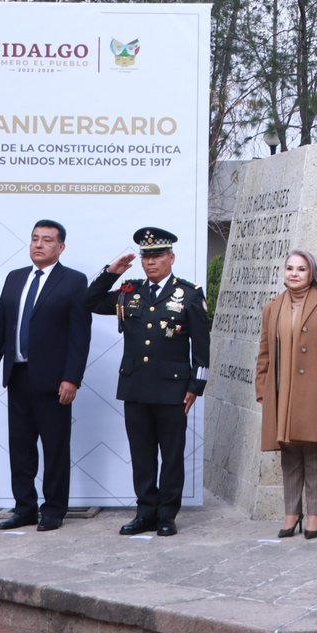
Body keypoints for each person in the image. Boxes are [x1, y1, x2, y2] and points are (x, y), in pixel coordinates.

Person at [86, 225, 210, 537]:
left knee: (171, 455)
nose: (150, 262)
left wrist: (196, 386)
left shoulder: (189, 294)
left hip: (173, 389)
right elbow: (90, 301)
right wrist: (110, 273)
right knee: (141, 454)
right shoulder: (131, 292)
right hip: (136, 386)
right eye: (145, 256)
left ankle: (167, 514)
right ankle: (145, 512)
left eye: (157, 256)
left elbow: (203, 348)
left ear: (171, 257)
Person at [0, 220, 90, 532]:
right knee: (20, 447)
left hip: (55, 381)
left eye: (46, 240)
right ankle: (24, 508)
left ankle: (54, 509)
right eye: (34, 239)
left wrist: (72, 377)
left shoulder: (73, 282)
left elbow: (79, 336)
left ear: (61, 247)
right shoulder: (14, 279)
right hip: (18, 377)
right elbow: (0, 327)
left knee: (55, 447)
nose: (38, 245)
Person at [255, 250, 317, 540]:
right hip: (282, 391)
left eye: (301, 269)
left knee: (315, 453)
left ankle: (313, 515)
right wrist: (262, 388)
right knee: (290, 454)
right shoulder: (272, 307)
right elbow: (264, 352)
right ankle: (291, 514)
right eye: (289, 268)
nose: (293, 274)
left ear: (312, 274)